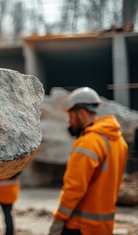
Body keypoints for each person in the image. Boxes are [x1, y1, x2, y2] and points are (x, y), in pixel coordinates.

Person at [49, 87, 128, 235]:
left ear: (81, 113)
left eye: (71, 116)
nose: (70, 121)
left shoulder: (87, 142)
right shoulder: (119, 142)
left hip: (80, 227)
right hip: (104, 226)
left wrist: (59, 219)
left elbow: (74, 188)